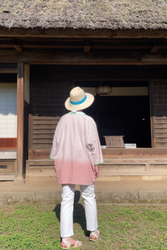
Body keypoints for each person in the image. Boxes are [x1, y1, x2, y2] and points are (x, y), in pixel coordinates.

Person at [50, 86, 104, 249]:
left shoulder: (63, 120)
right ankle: (93, 231)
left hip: (65, 162)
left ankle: (66, 237)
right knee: (89, 196)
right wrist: (96, 162)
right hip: (84, 162)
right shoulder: (88, 121)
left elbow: (56, 143)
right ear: (84, 103)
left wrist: (55, 160)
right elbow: (93, 144)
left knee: (66, 199)